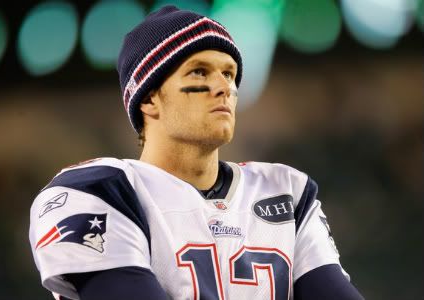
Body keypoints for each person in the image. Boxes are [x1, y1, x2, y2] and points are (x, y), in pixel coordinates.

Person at [29, 5, 364, 300]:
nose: (224, 87)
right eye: (199, 71)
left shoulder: (287, 191)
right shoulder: (97, 192)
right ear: (148, 97)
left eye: (229, 73)